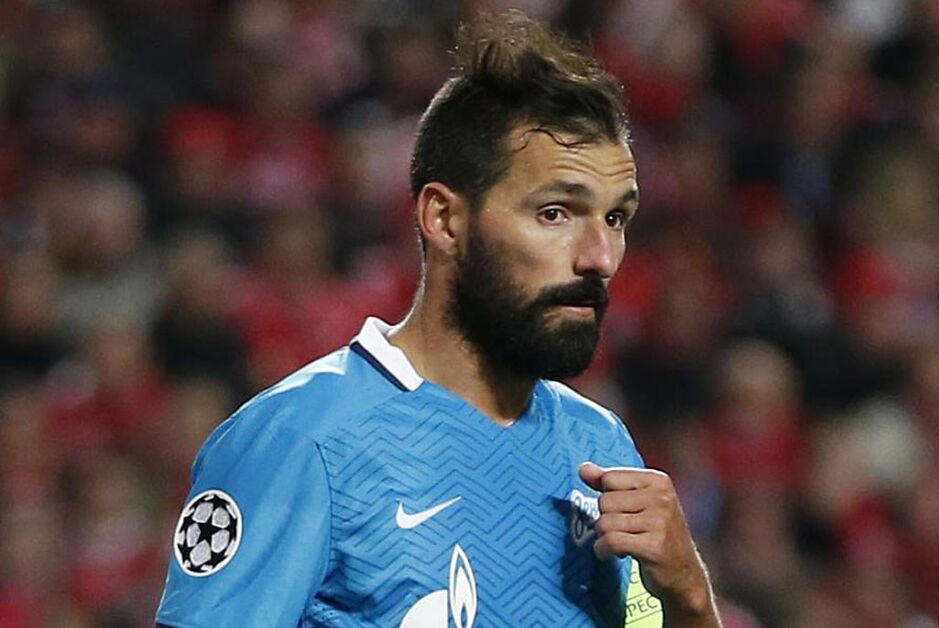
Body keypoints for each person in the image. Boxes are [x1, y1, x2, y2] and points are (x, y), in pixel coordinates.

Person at [155, 11, 720, 628]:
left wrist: (689, 597)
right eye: (556, 212)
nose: (601, 258)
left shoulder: (601, 446)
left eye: (615, 218)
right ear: (445, 219)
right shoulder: (300, 440)